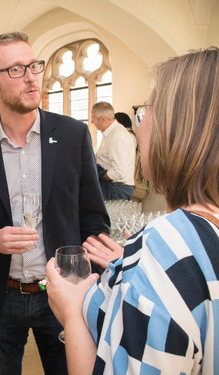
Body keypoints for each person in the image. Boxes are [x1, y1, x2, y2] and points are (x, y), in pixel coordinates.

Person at [45, 47, 219, 374]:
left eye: (145, 111)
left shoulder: (162, 246)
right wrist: (132, 270)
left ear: (177, 128)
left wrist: (72, 310)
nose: (139, 126)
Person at [0, 31, 110, 374]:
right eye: (17, 70)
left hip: (63, 296)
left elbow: (95, 222)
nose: (32, 77)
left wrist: (87, 285)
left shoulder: (72, 136)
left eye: (34, 65)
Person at [92, 102, 137, 200]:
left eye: (93, 118)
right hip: (113, 187)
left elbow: (119, 172)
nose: (91, 121)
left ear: (102, 119)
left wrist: (98, 173)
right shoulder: (110, 133)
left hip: (116, 188)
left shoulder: (117, 136)